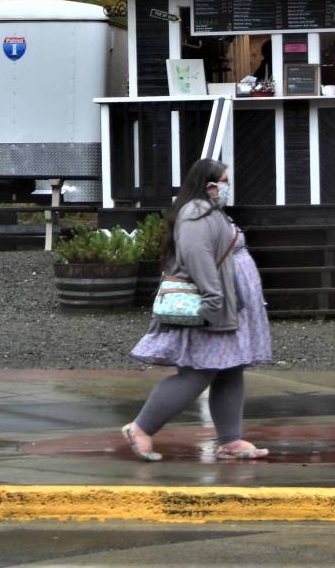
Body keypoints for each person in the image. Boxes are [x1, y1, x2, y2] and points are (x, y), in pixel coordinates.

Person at [122, 159, 272, 462]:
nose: (228, 186)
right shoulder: (195, 213)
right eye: (225, 181)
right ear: (210, 186)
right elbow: (197, 257)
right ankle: (141, 428)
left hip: (225, 306)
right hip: (212, 305)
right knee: (197, 372)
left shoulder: (209, 211)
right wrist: (213, 297)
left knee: (230, 367)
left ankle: (230, 439)